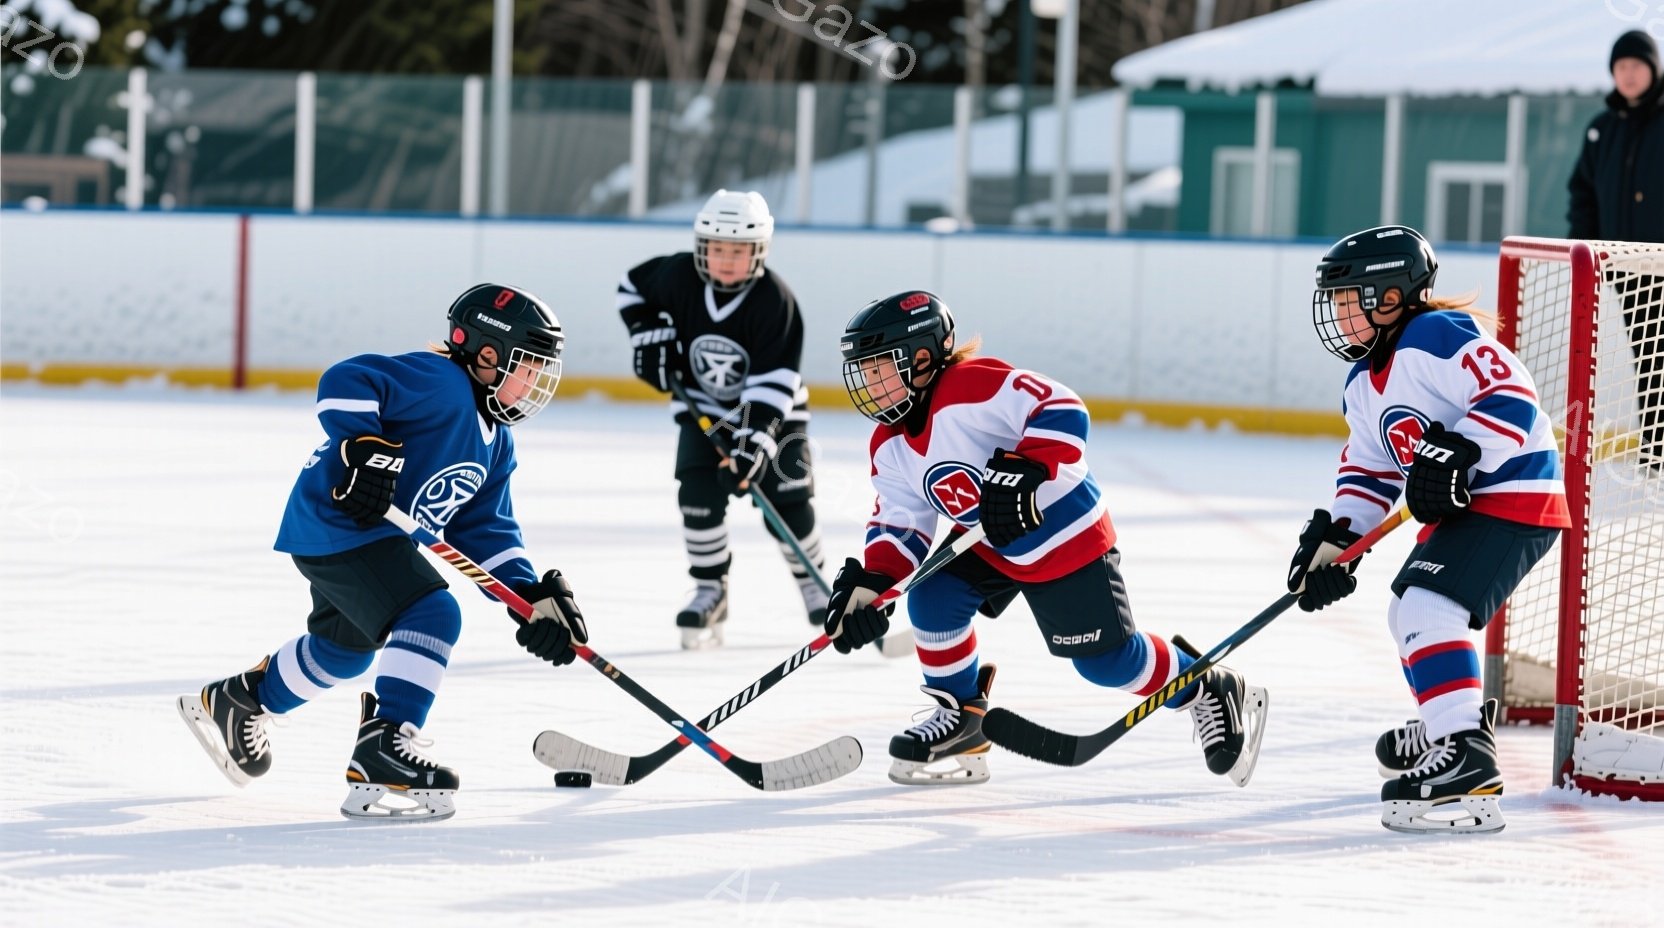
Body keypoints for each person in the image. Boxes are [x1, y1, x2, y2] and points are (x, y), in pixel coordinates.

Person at [821, 290, 1269, 788]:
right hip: (988, 539)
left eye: (879, 368)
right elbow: (901, 523)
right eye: (863, 372)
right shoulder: (888, 445)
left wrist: (1026, 468)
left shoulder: (970, 385)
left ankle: (1206, 685)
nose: (869, 384)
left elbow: (1063, 408)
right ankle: (961, 719)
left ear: (922, 357)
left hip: (1061, 534)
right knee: (932, 595)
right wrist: (874, 582)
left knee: (1107, 664)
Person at [177, 284, 590, 822]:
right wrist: (364, 446)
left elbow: (485, 529)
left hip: (362, 535)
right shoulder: (441, 382)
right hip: (341, 519)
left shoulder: (498, 444)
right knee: (433, 612)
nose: (535, 384)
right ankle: (386, 747)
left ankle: (242, 700)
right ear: (488, 355)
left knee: (345, 649)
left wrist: (528, 596)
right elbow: (346, 380)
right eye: (528, 369)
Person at [1290, 226, 1570, 834]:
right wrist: (1338, 539)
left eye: (1348, 301)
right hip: (1468, 507)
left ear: (1390, 297)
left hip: (1516, 490)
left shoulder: (1436, 336)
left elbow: (1513, 396)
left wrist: (1459, 451)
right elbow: (1368, 470)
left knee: (1427, 606)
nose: (1338, 316)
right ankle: (1448, 720)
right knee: (1406, 611)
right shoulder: (1362, 382)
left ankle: (1466, 756)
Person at [617, 189, 826, 649]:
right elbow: (631, 287)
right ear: (701, 247)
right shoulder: (677, 276)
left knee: (788, 505)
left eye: (739, 251)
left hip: (778, 417)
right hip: (705, 410)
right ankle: (711, 589)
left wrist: (752, 446)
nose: (726, 261)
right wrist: (647, 334)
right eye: (717, 249)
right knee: (697, 494)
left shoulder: (776, 302)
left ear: (759, 251)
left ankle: (814, 582)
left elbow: (773, 385)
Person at [1568, 29, 1664, 468]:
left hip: (1662, 264)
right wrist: (1588, 250)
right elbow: (1582, 194)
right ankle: (1656, 450)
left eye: (1636, 65)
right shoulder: (1601, 129)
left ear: (1653, 70)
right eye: (1621, 66)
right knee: (1648, 356)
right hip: (1627, 268)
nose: (1628, 74)